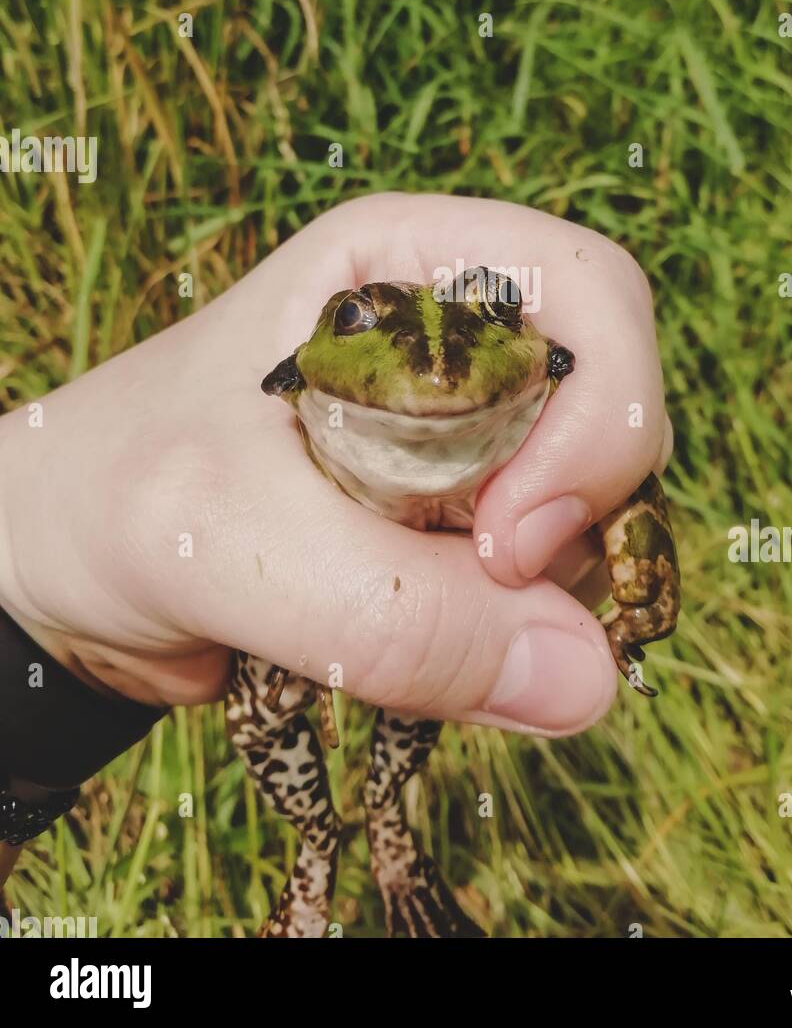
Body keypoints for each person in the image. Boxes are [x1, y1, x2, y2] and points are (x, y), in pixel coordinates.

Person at [0, 192, 672, 879]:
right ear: (291, 377)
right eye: (356, 316)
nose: (434, 367)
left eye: (499, 309)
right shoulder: (294, 419)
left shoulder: (532, 403)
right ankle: (320, 860)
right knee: (266, 716)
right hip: (277, 642)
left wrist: (641, 596)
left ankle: (389, 837)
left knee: (403, 723)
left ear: (548, 354)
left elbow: (631, 486)